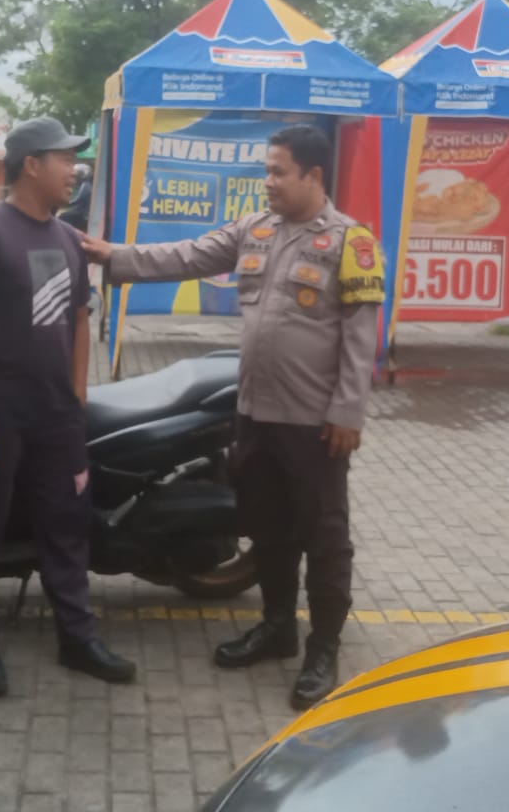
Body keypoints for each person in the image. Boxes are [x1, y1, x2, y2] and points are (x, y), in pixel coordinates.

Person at [80, 123, 384, 711]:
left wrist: (348, 412)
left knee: (324, 538)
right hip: (255, 414)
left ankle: (323, 649)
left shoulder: (351, 242)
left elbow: (359, 338)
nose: (268, 181)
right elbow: (186, 254)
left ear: (313, 175)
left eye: (278, 172)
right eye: (267, 170)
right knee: (268, 529)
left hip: (313, 423)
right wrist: (112, 255)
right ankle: (277, 627)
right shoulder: (255, 229)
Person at [0, 117, 136, 699]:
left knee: (66, 527)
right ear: (31, 164)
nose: (74, 169)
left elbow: (78, 319)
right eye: (64, 158)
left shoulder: (67, 240)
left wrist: (76, 395)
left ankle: (77, 638)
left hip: (56, 416)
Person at [59, 162, 92, 231]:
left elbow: (77, 200)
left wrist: (65, 202)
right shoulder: (84, 185)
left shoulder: (85, 186)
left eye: (77, 175)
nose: (75, 177)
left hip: (83, 213)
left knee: (63, 216)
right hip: (82, 210)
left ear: (81, 175)